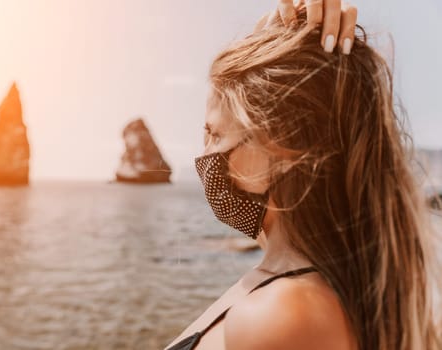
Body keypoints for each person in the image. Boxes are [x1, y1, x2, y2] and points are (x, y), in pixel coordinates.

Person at [164, 1, 442, 350]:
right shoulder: (287, 283)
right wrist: (277, 46)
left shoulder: (285, 316)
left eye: (215, 134)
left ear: (278, 147)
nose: (204, 154)